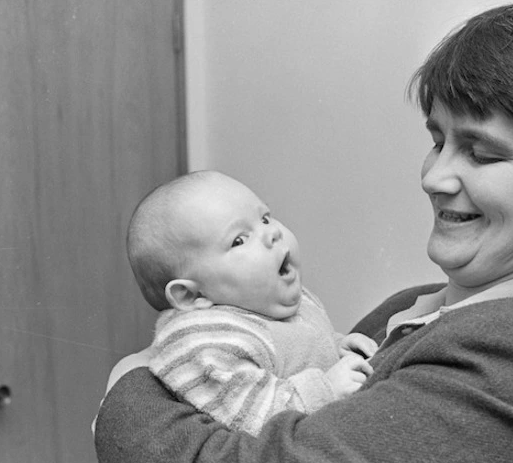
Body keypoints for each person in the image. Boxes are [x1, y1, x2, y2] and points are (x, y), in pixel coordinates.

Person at [94, 0, 513, 463]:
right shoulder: (413, 307)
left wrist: (130, 386)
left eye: (482, 153)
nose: (434, 177)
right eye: (437, 140)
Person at [124, 170, 377, 434]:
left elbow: (294, 348)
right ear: (193, 296)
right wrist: (325, 388)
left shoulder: (270, 302)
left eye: (265, 218)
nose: (272, 234)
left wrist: (335, 346)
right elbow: (249, 414)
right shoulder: (207, 342)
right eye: (239, 240)